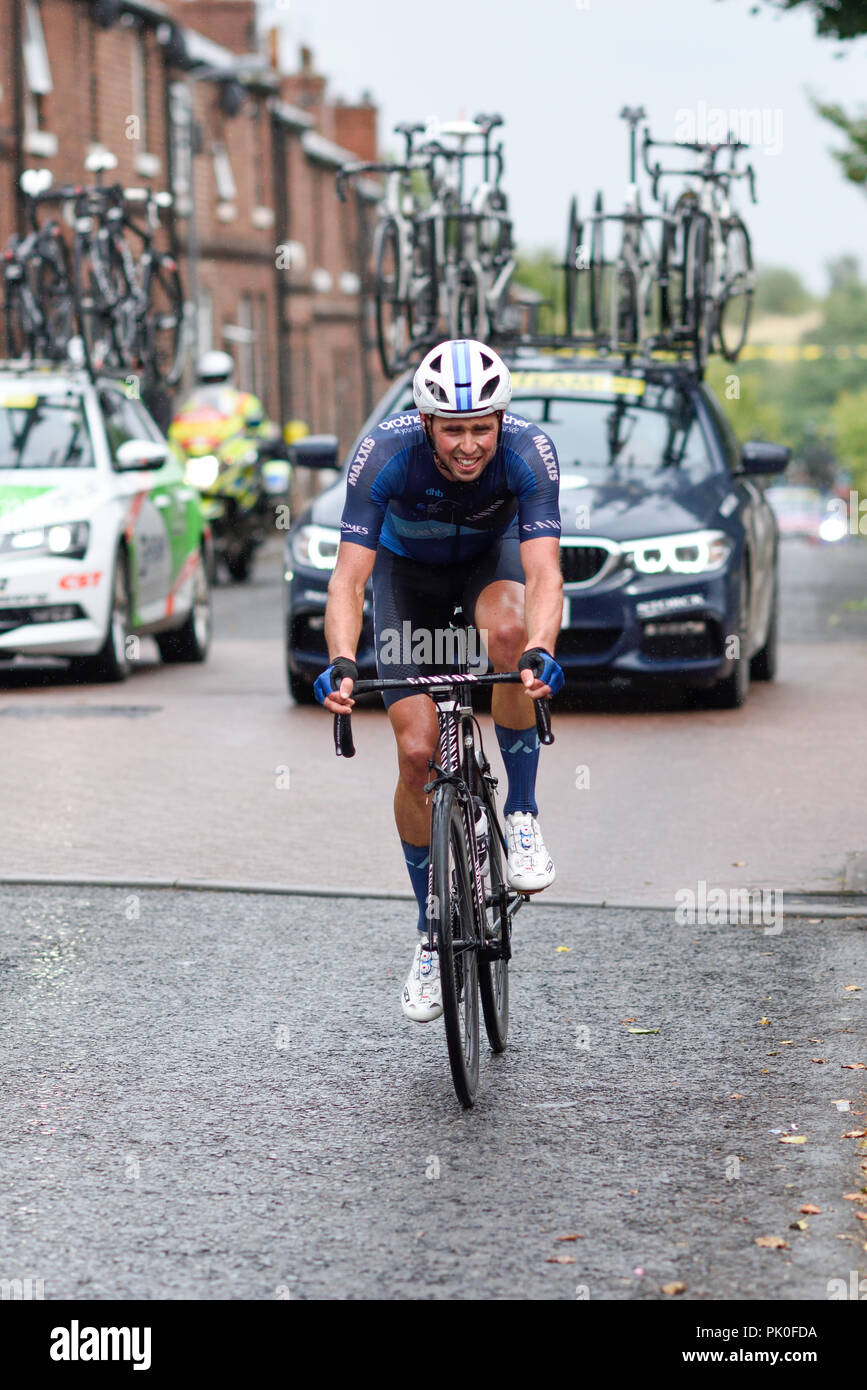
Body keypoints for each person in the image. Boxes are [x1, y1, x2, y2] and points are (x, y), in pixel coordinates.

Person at [315, 339, 564, 1023]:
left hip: (490, 563)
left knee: (510, 638)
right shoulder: (383, 454)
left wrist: (540, 650)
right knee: (418, 753)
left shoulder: (529, 451)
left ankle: (520, 815)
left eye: (481, 427)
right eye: (452, 429)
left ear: (500, 421)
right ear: (425, 424)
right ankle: (431, 936)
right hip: (409, 582)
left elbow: (544, 572)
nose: (468, 444)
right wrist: (340, 660)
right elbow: (349, 577)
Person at [168, 350, 277, 457]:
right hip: (200, 457)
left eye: (219, 378)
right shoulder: (190, 404)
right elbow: (175, 433)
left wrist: (264, 440)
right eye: (209, 379)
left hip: (234, 459)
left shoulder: (243, 402)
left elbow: (263, 428)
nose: (214, 383)